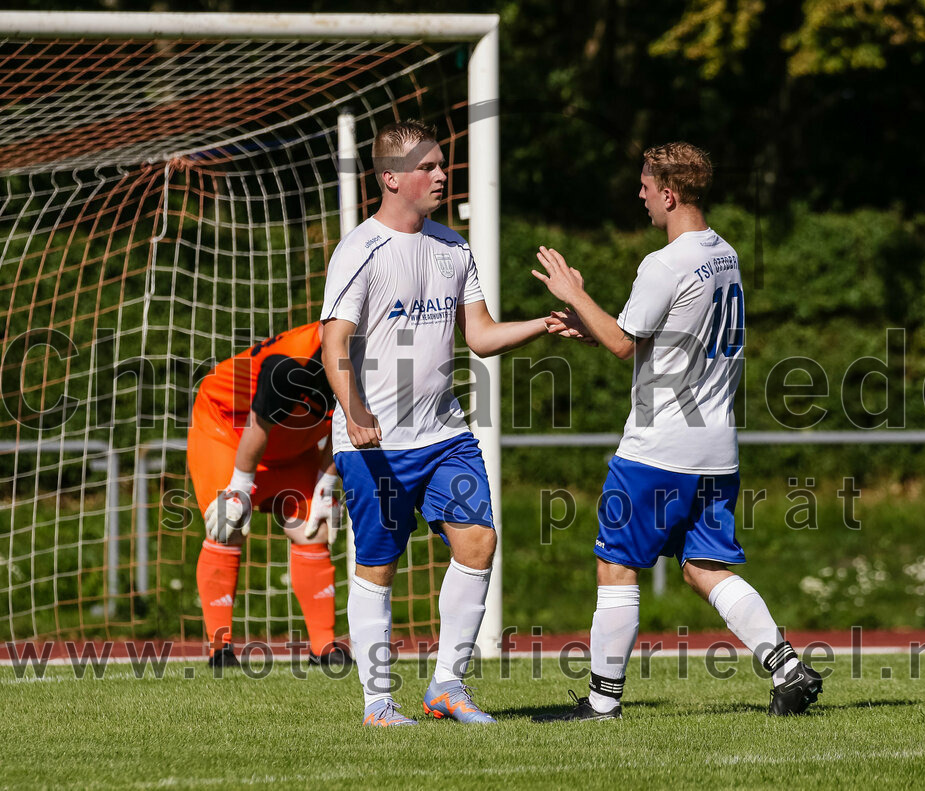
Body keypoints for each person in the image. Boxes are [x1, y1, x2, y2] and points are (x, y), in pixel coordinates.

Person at [531, 142, 823, 719]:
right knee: (704, 567)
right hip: (716, 447)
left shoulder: (663, 262)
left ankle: (601, 703)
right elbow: (656, 336)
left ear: (669, 193)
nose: (639, 193)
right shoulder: (726, 254)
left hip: (659, 446)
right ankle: (788, 668)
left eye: (645, 184)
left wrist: (575, 295)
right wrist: (596, 328)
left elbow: (622, 345)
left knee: (616, 563)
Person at [320, 120, 570, 727]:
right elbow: (334, 346)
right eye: (428, 167)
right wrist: (356, 414)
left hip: (446, 435)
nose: (441, 174)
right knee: (378, 564)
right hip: (374, 443)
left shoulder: (454, 247)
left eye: (441, 164)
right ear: (391, 178)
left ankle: (446, 687)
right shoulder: (361, 250)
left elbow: (480, 337)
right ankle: (377, 702)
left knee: (478, 540)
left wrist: (543, 324)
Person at [188, 322, 351, 669]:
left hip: (293, 439)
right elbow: (256, 426)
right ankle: (221, 648)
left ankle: (323, 647)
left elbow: (347, 425)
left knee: (314, 528)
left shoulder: (372, 353)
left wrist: (324, 487)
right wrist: (239, 488)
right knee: (226, 525)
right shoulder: (290, 364)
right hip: (229, 428)